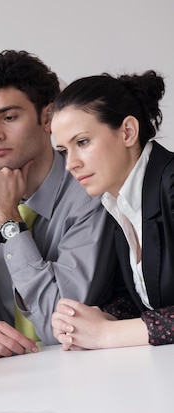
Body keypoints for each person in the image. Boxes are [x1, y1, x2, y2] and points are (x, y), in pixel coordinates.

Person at [0, 50, 116, 359]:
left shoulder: (88, 191)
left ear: (46, 118)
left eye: (9, 117)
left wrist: (7, 219)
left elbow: (57, 325)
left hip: (85, 370)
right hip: (5, 380)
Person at [51, 71, 173, 350]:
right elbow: (145, 297)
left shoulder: (170, 184)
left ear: (128, 132)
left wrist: (107, 334)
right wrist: (90, 320)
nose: (70, 164)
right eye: (63, 151)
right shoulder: (120, 203)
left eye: (82, 142)